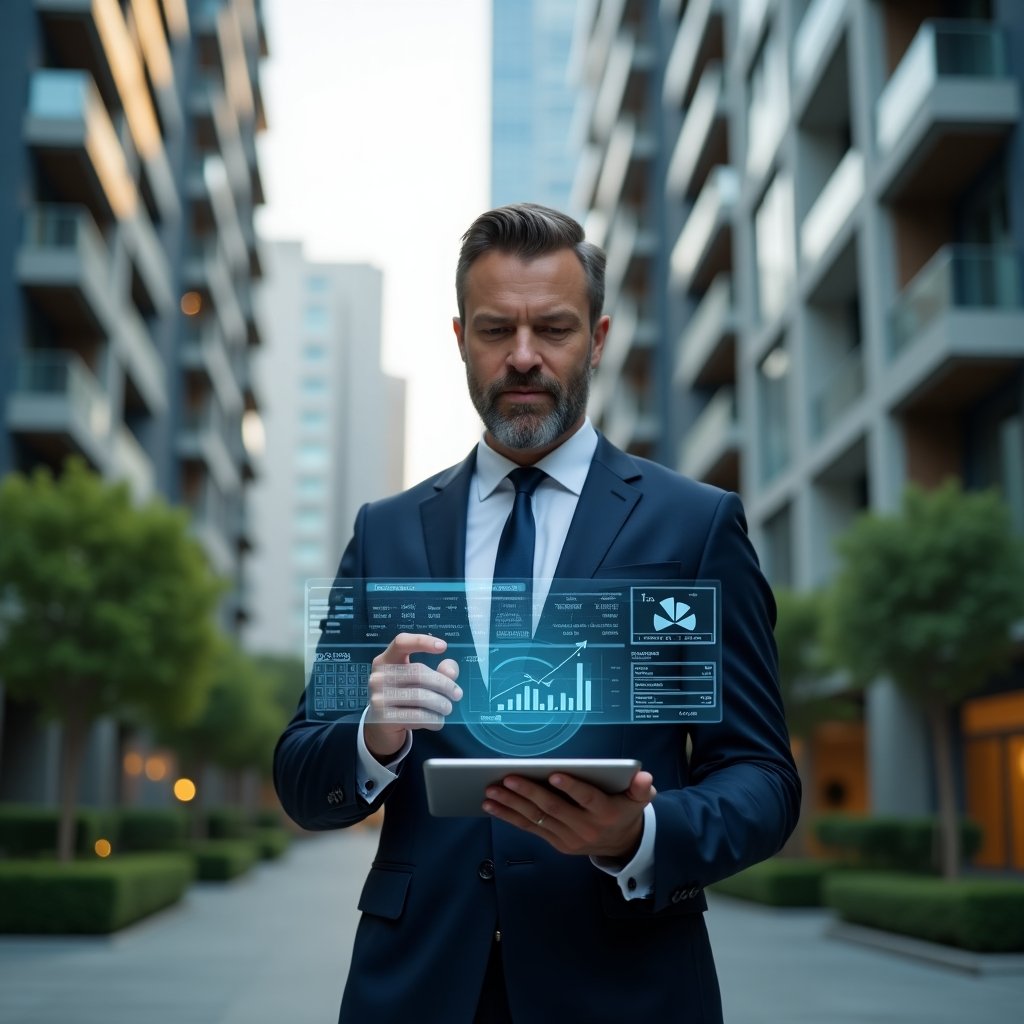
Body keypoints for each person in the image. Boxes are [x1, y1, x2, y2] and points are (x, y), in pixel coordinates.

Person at [274, 204, 800, 1024]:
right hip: (416, 988)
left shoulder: (694, 526)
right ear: (459, 338)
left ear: (596, 338)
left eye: (552, 328)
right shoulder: (387, 532)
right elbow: (304, 774)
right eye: (496, 330)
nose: (524, 358)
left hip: (626, 985)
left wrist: (641, 835)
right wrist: (371, 736)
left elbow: (763, 777)